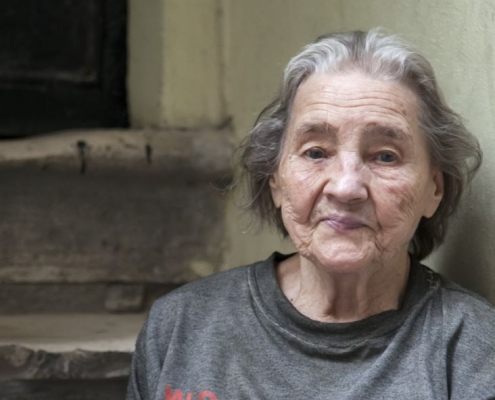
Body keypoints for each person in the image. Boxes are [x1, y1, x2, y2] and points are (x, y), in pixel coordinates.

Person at [127, 29, 495, 400]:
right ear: (275, 180)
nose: (345, 187)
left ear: (434, 189)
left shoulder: (471, 347)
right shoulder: (179, 326)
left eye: (385, 155)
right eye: (316, 152)